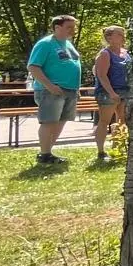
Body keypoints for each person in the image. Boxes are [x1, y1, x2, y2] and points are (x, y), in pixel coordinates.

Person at [27, 15, 83, 165]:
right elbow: (33, 67)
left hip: (69, 90)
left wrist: (76, 88)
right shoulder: (45, 44)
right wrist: (49, 86)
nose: (73, 30)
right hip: (51, 90)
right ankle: (44, 155)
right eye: (69, 27)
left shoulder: (68, 44)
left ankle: (48, 152)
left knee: (61, 121)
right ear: (57, 27)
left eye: (73, 27)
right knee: (49, 122)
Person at [92, 25, 130, 163]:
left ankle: (118, 147)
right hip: (108, 92)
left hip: (124, 91)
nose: (122, 37)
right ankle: (101, 151)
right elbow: (101, 75)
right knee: (104, 121)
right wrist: (112, 93)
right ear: (109, 37)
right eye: (119, 34)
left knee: (122, 120)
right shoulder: (105, 54)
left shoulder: (126, 53)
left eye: (122, 34)